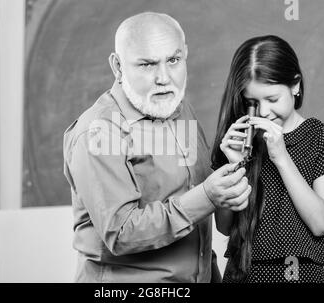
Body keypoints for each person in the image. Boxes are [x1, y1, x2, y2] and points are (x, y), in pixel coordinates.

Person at [63, 12, 251, 283]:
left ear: (185, 54)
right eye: (147, 64)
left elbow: (195, 221)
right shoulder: (98, 131)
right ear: (117, 66)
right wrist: (208, 197)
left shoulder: (178, 108)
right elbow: (121, 232)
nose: (164, 78)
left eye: (173, 60)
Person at [211, 35, 324, 283]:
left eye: (272, 99)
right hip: (242, 274)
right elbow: (224, 226)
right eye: (253, 102)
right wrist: (233, 166)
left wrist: (281, 157)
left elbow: (320, 223)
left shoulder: (320, 137)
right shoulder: (240, 139)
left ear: (295, 86)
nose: (263, 112)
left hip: (300, 275)